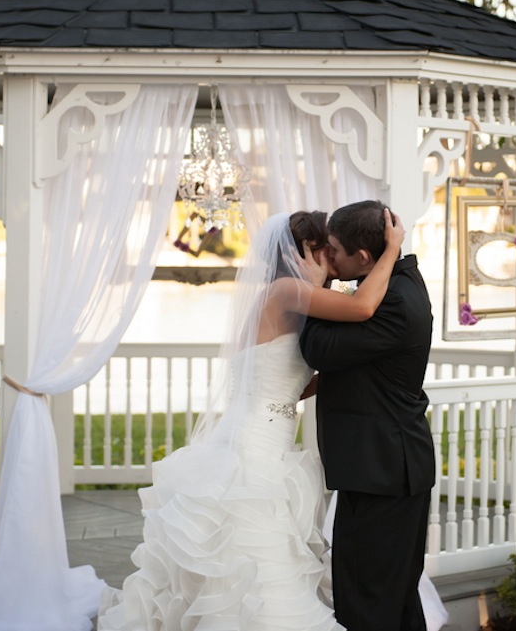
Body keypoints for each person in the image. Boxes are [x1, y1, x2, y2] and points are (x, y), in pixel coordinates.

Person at [96, 208, 404, 631]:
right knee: (253, 554)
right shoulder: (285, 291)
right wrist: (392, 250)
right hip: (252, 447)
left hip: (269, 442)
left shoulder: (289, 298)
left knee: (257, 555)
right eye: (325, 251)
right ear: (302, 252)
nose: (333, 262)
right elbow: (366, 306)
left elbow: (289, 382)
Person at [299, 200, 435, 631]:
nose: (327, 258)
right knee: (393, 599)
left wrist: (313, 288)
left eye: (334, 251)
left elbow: (322, 349)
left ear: (363, 257)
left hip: (384, 472)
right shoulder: (391, 283)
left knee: (366, 602)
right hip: (382, 469)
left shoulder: (393, 300)